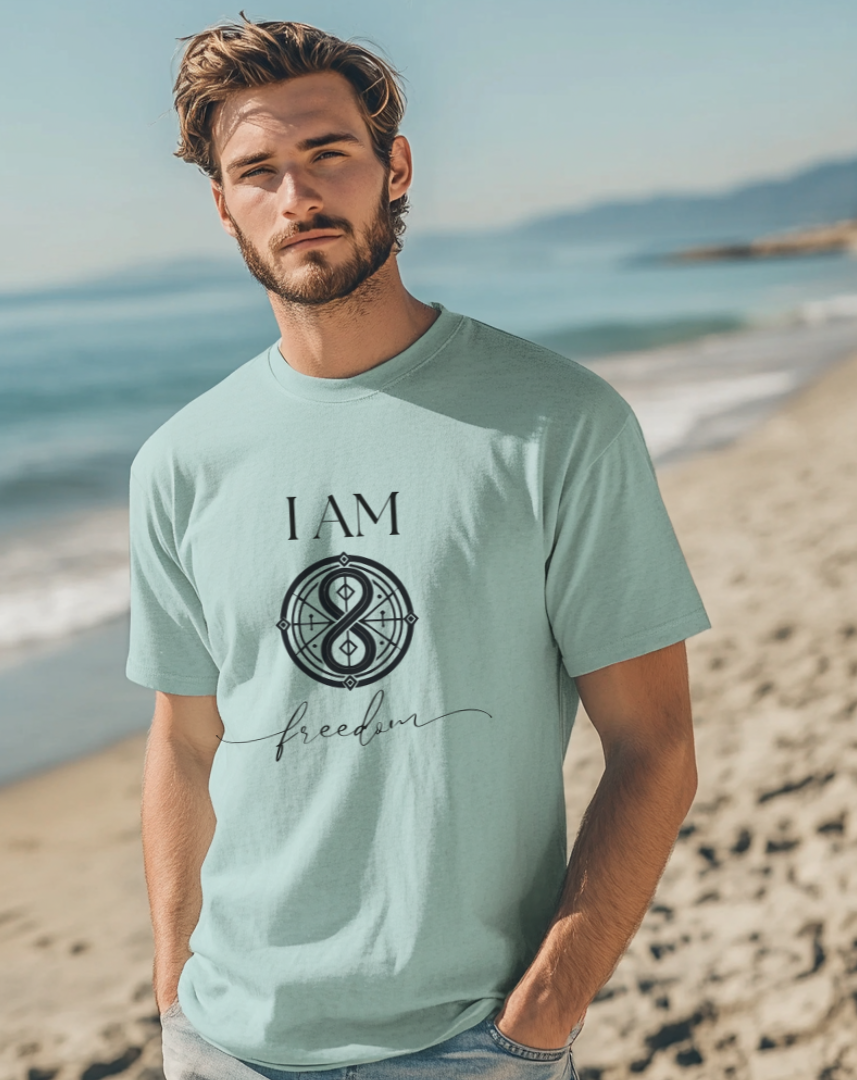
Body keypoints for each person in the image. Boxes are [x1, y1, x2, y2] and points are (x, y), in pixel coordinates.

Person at [127, 17, 710, 1080]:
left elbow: (655, 746)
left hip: (468, 1044)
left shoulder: (557, 424)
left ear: (395, 168)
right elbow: (184, 742)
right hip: (227, 1039)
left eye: (328, 154)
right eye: (257, 171)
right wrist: (175, 998)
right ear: (222, 204)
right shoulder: (182, 461)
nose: (297, 197)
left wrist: (541, 1015)